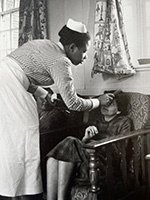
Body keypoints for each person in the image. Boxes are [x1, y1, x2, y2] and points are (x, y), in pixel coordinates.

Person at [0, 18, 114, 200]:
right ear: (72, 47)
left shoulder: (48, 45)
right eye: (84, 52)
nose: (84, 58)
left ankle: (15, 192)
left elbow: (23, 75)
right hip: (9, 84)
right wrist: (97, 101)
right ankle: (25, 194)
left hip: (6, 78)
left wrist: (44, 94)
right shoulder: (61, 62)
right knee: (26, 135)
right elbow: (73, 104)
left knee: (13, 141)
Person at [46, 91, 133, 200]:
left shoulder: (124, 122)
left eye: (110, 103)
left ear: (119, 110)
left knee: (70, 141)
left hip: (105, 164)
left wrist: (95, 144)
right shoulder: (96, 121)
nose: (105, 105)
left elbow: (121, 151)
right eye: (105, 103)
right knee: (53, 159)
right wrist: (86, 138)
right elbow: (82, 146)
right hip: (89, 158)